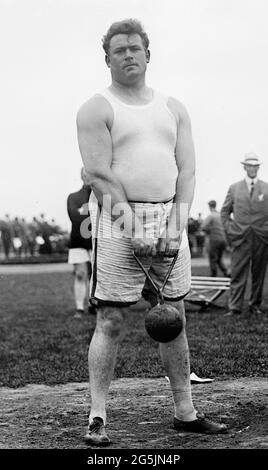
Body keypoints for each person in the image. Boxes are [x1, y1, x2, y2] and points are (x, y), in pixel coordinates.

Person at [76, 19, 227, 445]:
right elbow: (98, 174)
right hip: (114, 217)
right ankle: (97, 417)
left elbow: (188, 170)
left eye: (135, 48)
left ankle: (185, 411)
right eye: (119, 49)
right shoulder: (96, 107)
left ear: (148, 54)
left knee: (173, 317)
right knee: (110, 319)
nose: (128, 55)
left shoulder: (173, 107)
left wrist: (177, 223)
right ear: (107, 59)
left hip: (168, 216)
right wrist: (130, 223)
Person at [221, 152, 268, 316]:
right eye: (250, 165)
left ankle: (255, 305)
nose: (252, 168)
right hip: (240, 237)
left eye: (255, 166)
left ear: (258, 167)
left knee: (259, 273)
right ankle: (234, 307)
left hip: (261, 237)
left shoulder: (266, 187)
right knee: (237, 273)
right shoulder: (234, 188)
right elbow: (224, 212)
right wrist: (230, 229)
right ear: (244, 167)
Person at [67, 168, 93, 318]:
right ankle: (79, 307)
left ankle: (92, 305)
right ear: (81, 176)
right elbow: (75, 218)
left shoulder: (103, 197)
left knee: (96, 276)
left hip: (98, 242)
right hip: (79, 242)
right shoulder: (73, 197)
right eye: (86, 174)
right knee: (80, 274)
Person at [202, 200, 229, 277]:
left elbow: (203, 226)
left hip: (215, 240)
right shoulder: (220, 215)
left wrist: (209, 230)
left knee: (213, 259)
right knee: (219, 258)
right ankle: (227, 272)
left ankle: (213, 276)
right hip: (223, 239)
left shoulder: (211, 216)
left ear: (210, 206)